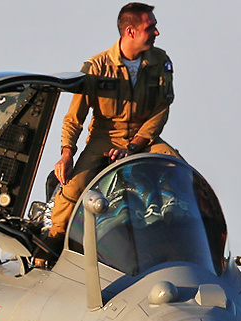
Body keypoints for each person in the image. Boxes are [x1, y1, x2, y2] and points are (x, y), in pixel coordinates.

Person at [44, 3, 179, 252]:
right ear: (130, 32)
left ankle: (179, 239)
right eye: (151, 27)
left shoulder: (160, 62)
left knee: (180, 173)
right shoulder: (97, 67)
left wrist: (134, 145)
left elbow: (161, 109)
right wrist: (66, 153)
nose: (157, 32)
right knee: (73, 187)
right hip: (105, 136)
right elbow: (75, 117)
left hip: (144, 136)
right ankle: (53, 240)